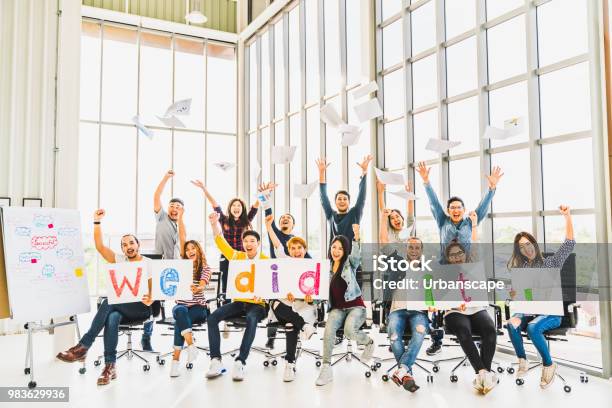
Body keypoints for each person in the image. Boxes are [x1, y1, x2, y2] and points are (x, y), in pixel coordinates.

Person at [56, 209, 154, 386]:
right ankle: (110, 367)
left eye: (131, 242)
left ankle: (84, 346)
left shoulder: (148, 263)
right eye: (124, 244)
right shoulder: (119, 260)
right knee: (113, 315)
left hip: (141, 308)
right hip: (121, 307)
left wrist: (151, 298)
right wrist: (96, 221)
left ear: (138, 245)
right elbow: (100, 246)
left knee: (109, 302)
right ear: (122, 248)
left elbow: (156, 290)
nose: (128, 246)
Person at [506, 205, 575, 389]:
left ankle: (548, 364)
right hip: (529, 310)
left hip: (550, 313)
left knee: (534, 328)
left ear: (533, 244)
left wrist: (567, 216)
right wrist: (514, 295)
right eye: (521, 247)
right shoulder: (522, 270)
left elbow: (569, 243)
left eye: (528, 244)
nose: (526, 249)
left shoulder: (551, 262)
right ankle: (522, 360)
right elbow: (520, 296)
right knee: (511, 323)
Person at [205, 212, 267, 381]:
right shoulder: (237, 256)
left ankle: (240, 361)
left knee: (252, 319)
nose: (248, 243)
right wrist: (214, 224)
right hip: (239, 301)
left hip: (258, 304)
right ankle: (215, 359)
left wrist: (264, 296)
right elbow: (220, 242)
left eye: (252, 241)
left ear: (258, 243)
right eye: (245, 241)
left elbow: (273, 287)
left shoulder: (266, 261)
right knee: (212, 318)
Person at [442, 212, 499, 395]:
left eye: (460, 253)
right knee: (463, 330)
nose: (457, 257)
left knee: (489, 329)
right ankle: (482, 372)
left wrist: (474, 224)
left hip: (476, 308)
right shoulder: (443, 272)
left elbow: (476, 246)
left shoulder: (474, 265)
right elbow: (437, 298)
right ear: (448, 258)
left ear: (465, 255)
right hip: (454, 312)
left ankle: (484, 374)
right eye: (453, 255)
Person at [316, 225, 375, 386]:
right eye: (334, 247)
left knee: (349, 331)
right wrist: (310, 298)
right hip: (337, 309)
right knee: (328, 330)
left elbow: (357, 254)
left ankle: (369, 343)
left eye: (340, 248)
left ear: (344, 251)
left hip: (355, 306)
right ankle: (326, 368)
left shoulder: (350, 263)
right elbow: (318, 291)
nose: (336, 251)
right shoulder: (325, 268)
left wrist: (357, 236)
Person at [264, 214, 317, 381]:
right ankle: (304, 326)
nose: (296, 251)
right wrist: (268, 226)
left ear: (305, 249)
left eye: (299, 248)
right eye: (293, 248)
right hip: (284, 302)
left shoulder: (311, 266)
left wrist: (310, 298)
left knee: (289, 324)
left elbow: (316, 294)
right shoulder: (285, 260)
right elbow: (276, 243)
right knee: (274, 301)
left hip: (301, 305)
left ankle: (289, 364)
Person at [416, 161, 503, 259]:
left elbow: (483, 206)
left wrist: (491, 188)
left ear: (464, 209)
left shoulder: (471, 222)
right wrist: (426, 182)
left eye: (459, 207)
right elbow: (434, 203)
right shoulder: (442, 221)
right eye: (452, 208)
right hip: (445, 267)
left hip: (466, 266)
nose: (456, 210)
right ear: (448, 211)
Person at [190, 179, 261, 298]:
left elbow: (254, 207)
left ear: (242, 209)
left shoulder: (246, 220)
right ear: (230, 208)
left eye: (239, 205)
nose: (236, 207)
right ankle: (225, 303)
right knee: (226, 281)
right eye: (234, 205)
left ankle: (242, 302)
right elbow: (214, 204)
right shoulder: (223, 219)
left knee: (243, 279)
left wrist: (262, 195)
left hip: (241, 255)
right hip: (226, 255)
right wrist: (203, 188)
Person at [380, 235, 429, 393]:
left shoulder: (428, 267)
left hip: (419, 311)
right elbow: (384, 244)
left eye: (417, 247)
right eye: (410, 247)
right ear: (405, 249)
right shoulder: (397, 263)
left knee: (420, 332)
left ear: (421, 250)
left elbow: (435, 291)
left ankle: (402, 371)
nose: (414, 250)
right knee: (393, 335)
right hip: (397, 309)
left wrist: (434, 304)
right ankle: (407, 374)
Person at [169, 209, 212, 378]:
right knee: (180, 311)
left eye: (193, 248)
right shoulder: (182, 266)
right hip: (181, 307)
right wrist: (180, 219)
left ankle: (175, 362)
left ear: (198, 251)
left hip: (198, 308)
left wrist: (198, 287)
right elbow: (181, 237)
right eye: (187, 250)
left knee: (180, 321)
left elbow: (203, 283)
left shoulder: (205, 268)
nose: (190, 251)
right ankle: (191, 346)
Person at [147, 169, 185, 351]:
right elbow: (156, 195)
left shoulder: (182, 225)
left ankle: (180, 337)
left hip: (176, 266)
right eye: (172, 206)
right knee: (152, 300)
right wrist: (166, 178)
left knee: (181, 301)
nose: (174, 209)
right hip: (158, 263)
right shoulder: (161, 217)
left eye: (178, 207)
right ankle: (147, 336)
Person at [317, 155, 372, 243]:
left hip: (352, 255)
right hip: (334, 255)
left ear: (349, 202)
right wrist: (321, 173)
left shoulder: (354, 213)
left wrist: (364, 171)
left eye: (345, 199)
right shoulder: (331, 215)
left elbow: (362, 196)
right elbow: (323, 197)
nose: (342, 201)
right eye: (339, 199)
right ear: (335, 202)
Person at [377, 180, 415, 247]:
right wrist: (380, 192)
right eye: (392, 218)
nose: (395, 219)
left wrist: (409, 194)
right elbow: (383, 211)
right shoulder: (390, 232)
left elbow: (410, 214)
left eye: (397, 216)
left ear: (402, 219)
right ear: (390, 223)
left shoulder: (409, 231)